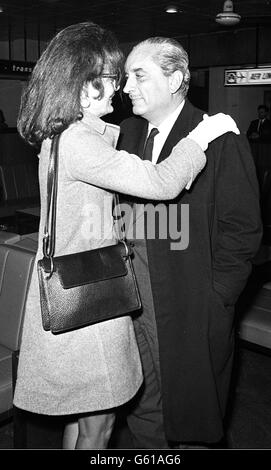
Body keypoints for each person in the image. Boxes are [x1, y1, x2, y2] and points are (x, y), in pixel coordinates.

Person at [12, 23, 237, 450]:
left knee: (83, 424)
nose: (119, 89)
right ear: (83, 85)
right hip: (91, 303)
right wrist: (200, 136)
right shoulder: (80, 141)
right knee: (98, 428)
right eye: (113, 78)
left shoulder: (62, 136)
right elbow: (163, 184)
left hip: (79, 293)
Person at [117, 36, 262, 448]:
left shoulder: (218, 137)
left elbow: (243, 230)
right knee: (143, 407)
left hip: (189, 306)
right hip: (131, 303)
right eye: (127, 77)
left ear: (176, 78)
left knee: (193, 418)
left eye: (139, 76)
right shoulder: (125, 133)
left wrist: (217, 298)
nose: (127, 87)